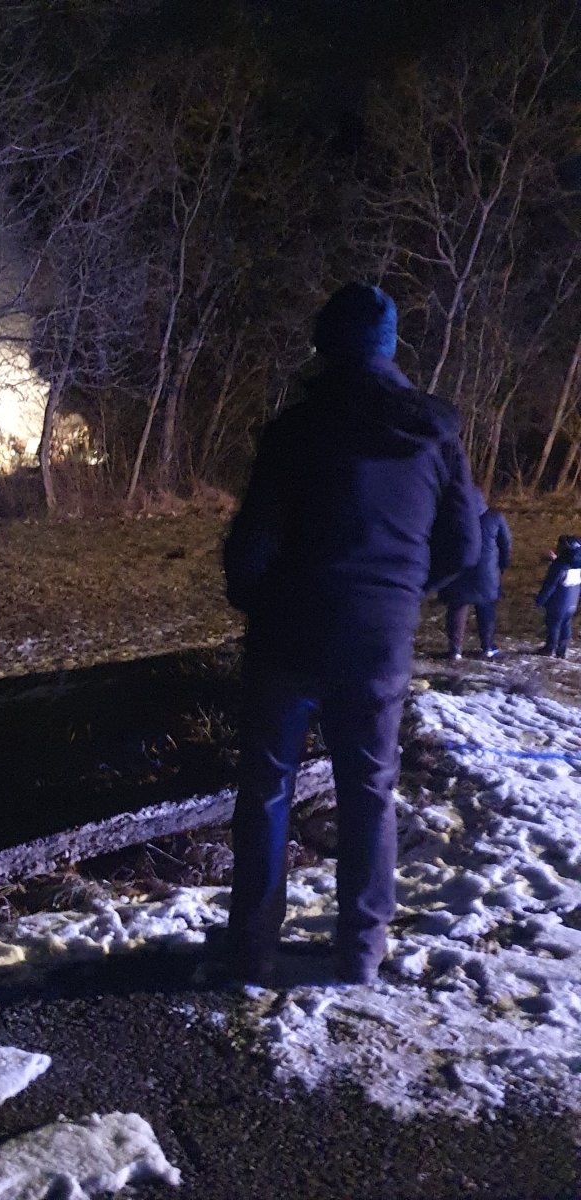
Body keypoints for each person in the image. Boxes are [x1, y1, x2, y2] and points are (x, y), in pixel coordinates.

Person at [221, 282, 481, 985]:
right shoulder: (433, 435)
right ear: (390, 348)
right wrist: (401, 593)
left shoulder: (295, 430)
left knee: (268, 789)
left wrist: (257, 601)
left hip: (288, 634)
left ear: (326, 344)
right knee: (369, 790)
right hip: (379, 639)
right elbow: (464, 545)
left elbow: (250, 549)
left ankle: (252, 948)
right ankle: (362, 950)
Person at [438, 489, 511, 661]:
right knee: (486, 609)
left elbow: (440, 545)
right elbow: (506, 545)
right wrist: (501, 566)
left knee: (457, 610)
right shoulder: (495, 517)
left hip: (458, 571)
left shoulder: (451, 518)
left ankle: (455, 650)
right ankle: (487, 647)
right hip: (486, 573)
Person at [535, 535, 581, 660]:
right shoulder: (577, 566)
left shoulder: (559, 567)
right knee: (566, 624)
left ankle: (550, 648)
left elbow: (550, 586)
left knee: (553, 625)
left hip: (557, 604)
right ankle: (561, 650)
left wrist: (539, 600)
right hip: (572, 603)